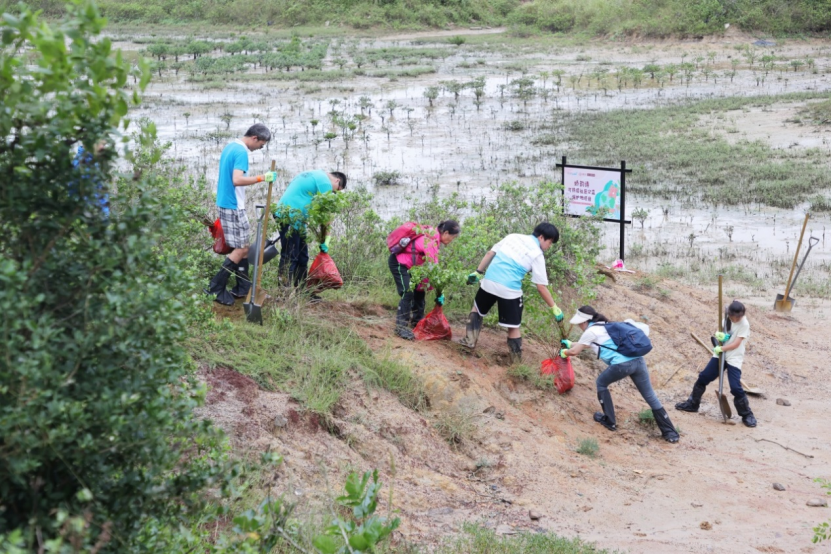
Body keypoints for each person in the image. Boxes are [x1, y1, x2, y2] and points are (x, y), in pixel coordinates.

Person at [560, 306, 680, 443]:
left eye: (579, 323)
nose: (579, 326)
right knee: (650, 395)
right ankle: (670, 432)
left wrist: (564, 352)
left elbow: (575, 352)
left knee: (601, 383)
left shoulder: (590, 331)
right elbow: (592, 344)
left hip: (622, 365)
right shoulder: (604, 325)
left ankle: (609, 421)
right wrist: (570, 344)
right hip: (638, 361)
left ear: (584, 321)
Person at [460, 222, 564, 364]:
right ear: (541, 237)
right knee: (513, 327)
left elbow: (490, 253)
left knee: (477, 310)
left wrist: (478, 272)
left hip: (489, 281)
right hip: (509, 290)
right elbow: (541, 287)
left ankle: (469, 341)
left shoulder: (512, 237)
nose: (549, 246)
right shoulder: (537, 254)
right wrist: (554, 307)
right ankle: (516, 362)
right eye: (550, 242)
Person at [205, 124, 274, 306]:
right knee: (243, 248)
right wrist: (262, 177)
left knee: (241, 247)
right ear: (255, 138)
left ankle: (242, 287)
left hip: (225, 202)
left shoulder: (231, 146)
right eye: (261, 144)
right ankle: (215, 287)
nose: (260, 148)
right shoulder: (241, 152)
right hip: (233, 205)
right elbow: (237, 180)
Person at [676, 300, 756, 427]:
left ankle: (747, 414)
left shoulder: (744, 323)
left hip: (734, 357)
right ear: (729, 314)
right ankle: (692, 404)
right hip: (719, 355)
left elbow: (736, 344)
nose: (735, 319)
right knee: (703, 377)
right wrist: (719, 336)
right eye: (733, 317)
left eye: (738, 317)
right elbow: (722, 333)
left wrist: (722, 348)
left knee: (735, 387)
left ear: (742, 315)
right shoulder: (726, 319)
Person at [273, 170, 347, 290]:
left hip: (296, 220)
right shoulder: (325, 183)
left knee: (302, 256)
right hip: (289, 217)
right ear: (337, 181)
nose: (333, 193)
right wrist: (326, 240)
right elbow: (326, 216)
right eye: (336, 190)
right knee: (290, 256)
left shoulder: (315, 174)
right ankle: (283, 293)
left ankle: (302, 291)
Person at [389, 220, 461, 340]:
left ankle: (417, 322)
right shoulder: (431, 240)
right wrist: (440, 292)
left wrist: (430, 285)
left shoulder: (432, 236)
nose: (452, 240)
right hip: (399, 264)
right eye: (453, 237)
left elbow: (430, 270)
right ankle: (401, 328)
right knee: (407, 292)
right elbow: (434, 269)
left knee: (420, 289)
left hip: (411, 267)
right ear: (446, 233)